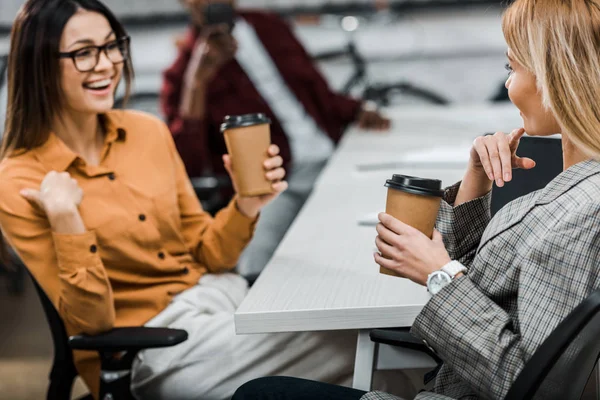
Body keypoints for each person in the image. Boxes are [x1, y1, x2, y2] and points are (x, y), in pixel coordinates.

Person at [0, 1, 411, 399]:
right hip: (159, 348)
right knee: (374, 342)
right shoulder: (19, 181)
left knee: (370, 328)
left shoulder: (146, 133)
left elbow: (209, 254)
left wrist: (247, 202)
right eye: (85, 53)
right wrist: (67, 220)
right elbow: (90, 326)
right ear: (38, 63)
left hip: (222, 298)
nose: (107, 64)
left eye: (111, 46)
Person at [232, 0, 600, 399]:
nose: (508, 84)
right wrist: (474, 179)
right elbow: (496, 286)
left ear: (555, 79)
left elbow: (537, 386)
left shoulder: (581, 211)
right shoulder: (573, 184)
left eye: (511, 67)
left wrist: (438, 276)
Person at [163, 0, 391, 276]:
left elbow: (318, 91)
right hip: (273, 186)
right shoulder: (184, 73)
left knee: (373, 242)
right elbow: (189, 164)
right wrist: (197, 83)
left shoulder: (268, 26)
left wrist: (357, 109)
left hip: (330, 160)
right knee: (254, 265)